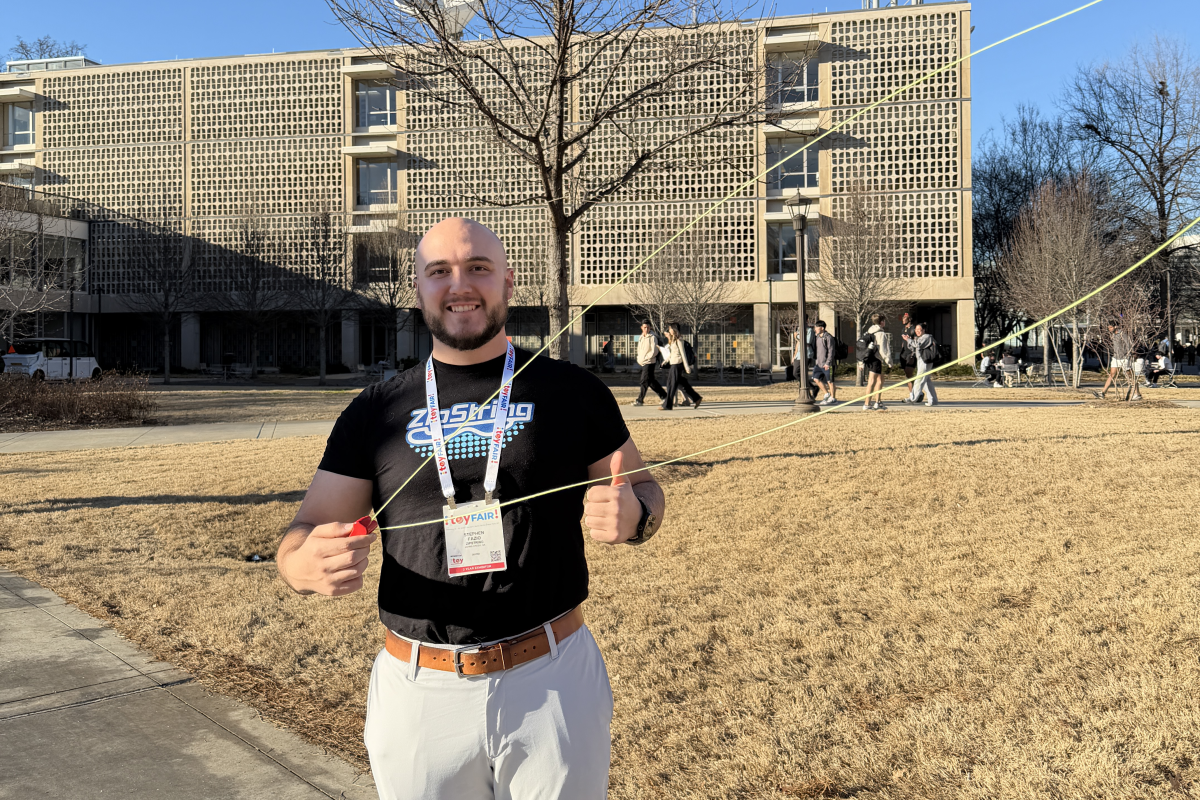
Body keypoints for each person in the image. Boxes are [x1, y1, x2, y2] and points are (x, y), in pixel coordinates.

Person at [275, 217, 666, 800]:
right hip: (419, 692)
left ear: (509, 282)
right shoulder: (374, 410)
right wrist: (299, 564)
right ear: (418, 290)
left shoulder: (572, 391)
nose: (460, 284)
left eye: (478, 268)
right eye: (440, 271)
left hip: (552, 680)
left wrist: (636, 517)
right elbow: (302, 530)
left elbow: (646, 490)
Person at [1094, 320, 1140, 401]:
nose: (1109, 329)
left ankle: (1137, 393)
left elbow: (1129, 345)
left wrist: (1130, 355)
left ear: (1116, 326)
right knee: (1111, 375)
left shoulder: (1122, 334)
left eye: (1111, 327)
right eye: (1109, 328)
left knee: (1130, 376)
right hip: (1115, 357)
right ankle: (1103, 393)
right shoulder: (1113, 335)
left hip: (1124, 358)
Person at [661, 324, 702, 411]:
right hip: (673, 364)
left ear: (674, 330)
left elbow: (683, 354)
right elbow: (672, 354)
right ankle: (696, 398)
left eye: (670, 329)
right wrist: (665, 362)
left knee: (671, 385)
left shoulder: (679, 340)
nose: (669, 331)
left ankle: (667, 405)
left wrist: (687, 367)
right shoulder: (673, 341)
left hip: (677, 365)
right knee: (682, 383)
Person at [860, 313, 891, 411]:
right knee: (872, 381)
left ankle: (878, 402)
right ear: (881, 322)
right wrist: (889, 361)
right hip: (876, 359)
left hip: (870, 358)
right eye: (884, 321)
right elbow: (883, 350)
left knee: (880, 380)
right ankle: (867, 403)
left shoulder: (869, 332)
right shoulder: (881, 334)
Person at [902, 322, 938, 406]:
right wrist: (908, 340)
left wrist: (908, 340)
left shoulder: (927, 337)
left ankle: (913, 398)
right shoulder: (918, 338)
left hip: (925, 361)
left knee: (919, 380)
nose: (917, 331)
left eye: (919, 329)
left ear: (924, 330)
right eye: (916, 329)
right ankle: (933, 400)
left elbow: (918, 345)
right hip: (921, 360)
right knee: (926, 382)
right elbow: (913, 347)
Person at [633, 321, 666, 406]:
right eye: (644, 327)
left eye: (648, 327)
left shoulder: (653, 337)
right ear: (641, 328)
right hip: (643, 362)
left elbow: (654, 351)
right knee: (651, 381)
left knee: (644, 381)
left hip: (650, 362)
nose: (646, 329)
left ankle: (640, 400)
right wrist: (639, 359)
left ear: (650, 328)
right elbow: (639, 350)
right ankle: (665, 396)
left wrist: (646, 358)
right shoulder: (641, 337)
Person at [811, 319, 837, 406]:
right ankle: (826, 393)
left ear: (822, 328)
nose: (815, 329)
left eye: (816, 327)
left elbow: (831, 351)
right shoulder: (817, 337)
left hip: (827, 364)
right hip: (819, 363)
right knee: (815, 378)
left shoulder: (828, 337)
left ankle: (833, 398)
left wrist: (828, 363)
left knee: (830, 381)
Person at [898, 312, 917, 394]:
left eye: (905, 318)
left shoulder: (913, 329)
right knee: (907, 375)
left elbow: (916, 342)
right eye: (903, 318)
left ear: (909, 319)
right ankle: (911, 393)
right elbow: (903, 342)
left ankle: (915, 392)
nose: (903, 320)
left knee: (909, 372)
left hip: (911, 353)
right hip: (904, 353)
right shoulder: (903, 329)